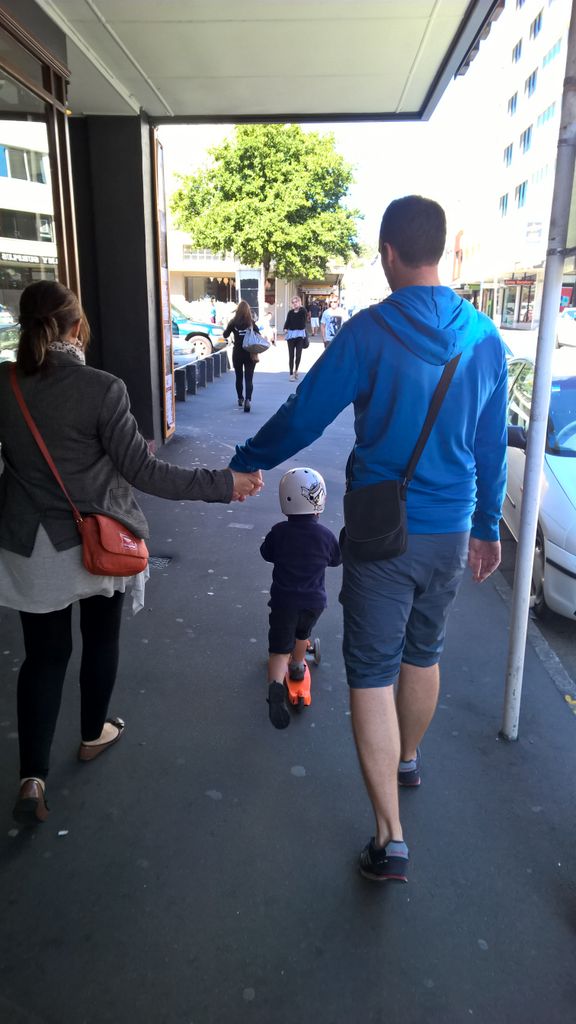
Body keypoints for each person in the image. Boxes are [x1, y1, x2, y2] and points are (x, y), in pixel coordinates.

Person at [229, 195, 507, 883]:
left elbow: (305, 415)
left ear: (388, 252)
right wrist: (485, 527)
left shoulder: (369, 332)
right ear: (438, 249)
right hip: (451, 529)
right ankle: (407, 759)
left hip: (385, 535)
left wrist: (247, 460)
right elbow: (491, 445)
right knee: (424, 650)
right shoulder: (485, 338)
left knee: (373, 672)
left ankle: (390, 838)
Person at [0, 280, 262, 826]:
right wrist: (223, 483)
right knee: (101, 639)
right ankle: (92, 734)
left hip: (29, 546)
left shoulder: (7, 384)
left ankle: (31, 779)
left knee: (44, 657)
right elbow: (144, 471)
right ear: (77, 327)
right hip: (98, 542)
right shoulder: (102, 389)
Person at [260, 468, 341, 730]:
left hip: (283, 602)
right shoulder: (325, 536)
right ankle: (297, 666)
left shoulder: (279, 532)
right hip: (314, 603)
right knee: (301, 635)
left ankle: (275, 686)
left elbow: (266, 553)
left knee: (278, 647)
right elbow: (336, 559)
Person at [223, 299, 261, 412]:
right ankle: (248, 400)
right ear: (248, 311)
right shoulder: (251, 323)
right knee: (249, 378)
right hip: (250, 353)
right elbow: (259, 336)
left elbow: (225, 334)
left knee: (238, 377)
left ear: (238, 311)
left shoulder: (233, 322)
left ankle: (240, 398)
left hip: (237, 353)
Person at [283, 296, 307, 381]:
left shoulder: (303, 311)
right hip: (291, 335)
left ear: (300, 302)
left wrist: (299, 308)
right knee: (291, 355)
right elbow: (287, 322)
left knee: (298, 354)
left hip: (300, 335)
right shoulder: (290, 312)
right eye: (293, 302)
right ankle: (291, 374)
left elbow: (302, 324)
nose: (294, 304)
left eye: (296, 302)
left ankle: (296, 370)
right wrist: (285, 328)